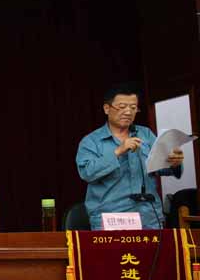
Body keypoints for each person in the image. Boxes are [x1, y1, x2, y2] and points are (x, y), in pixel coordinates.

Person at [76, 85, 183, 229]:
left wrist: (174, 162)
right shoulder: (91, 141)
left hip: (148, 217)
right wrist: (118, 151)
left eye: (133, 108)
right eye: (122, 107)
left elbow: (159, 167)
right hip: (112, 218)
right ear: (107, 109)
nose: (128, 112)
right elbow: (87, 173)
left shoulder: (146, 134)